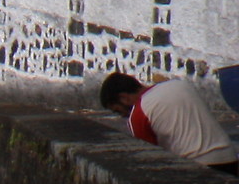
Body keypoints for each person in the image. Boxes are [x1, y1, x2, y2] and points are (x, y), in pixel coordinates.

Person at [101, 73, 239, 174]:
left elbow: (149, 159)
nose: (124, 116)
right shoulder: (179, 84)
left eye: (119, 111)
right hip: (229, 157)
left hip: (197, 166)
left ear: (124, 98)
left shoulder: (139, 113)